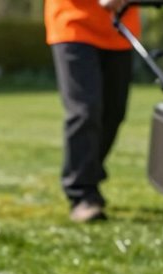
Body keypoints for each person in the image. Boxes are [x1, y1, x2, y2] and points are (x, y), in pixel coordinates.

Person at [45, 0, 140, 222]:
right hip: (74, 24)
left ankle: (89, 173)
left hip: (119, 29)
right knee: (85, 111)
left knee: (114, 112)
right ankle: (82, 193)